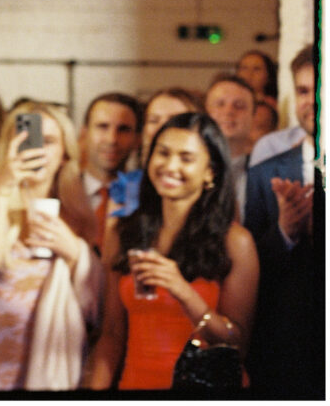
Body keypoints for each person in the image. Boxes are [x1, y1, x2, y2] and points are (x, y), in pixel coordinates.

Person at [83, 112, 259, 390]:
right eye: (162, 153)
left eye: (186, 158)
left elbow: (236, 342)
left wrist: (182, 291)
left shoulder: (235, 241)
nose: (170, 166)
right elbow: (112, 334)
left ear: (210, 171)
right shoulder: (125, 231)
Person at [0, 102, 101, 390]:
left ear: (64, 154)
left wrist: (73, 252)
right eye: (28, 139)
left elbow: (96, 308)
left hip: (51, 370)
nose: (38, 150)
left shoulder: (81, 214)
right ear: (9, 145)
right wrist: (5, 186)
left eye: (49, 141)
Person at [243, 44, 322, 396]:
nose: (313, 100)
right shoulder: (265, 173)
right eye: (304, 90)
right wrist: (284, 233)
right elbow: (249, 269)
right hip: (288, 347)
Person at [108, 88, 202, 218]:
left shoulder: (213, 189)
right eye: (153, 120)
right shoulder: (127, 187)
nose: (161, 128)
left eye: (174, 119)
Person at [78, 92, 142, 249]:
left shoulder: (146, 199)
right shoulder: (59, 192)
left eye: (123, 129)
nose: (112, 139)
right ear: (84, 134)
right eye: (102, 127)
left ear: (137, 140)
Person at [204, 74, 255, 221]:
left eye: (239, 106)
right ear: (205, 112)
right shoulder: (188, 170)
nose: (229, 111)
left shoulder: (265, 174)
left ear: (253, 116)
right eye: (220, 104)